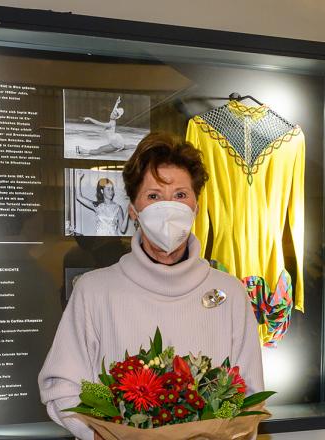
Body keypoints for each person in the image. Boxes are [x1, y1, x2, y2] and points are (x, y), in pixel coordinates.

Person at [39, 133, 264, 439]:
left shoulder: (231, 294)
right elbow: (61, 387)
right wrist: (107, 435)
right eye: (154, 196)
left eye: (181, 195)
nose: (168, 208)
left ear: (197, 206)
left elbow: (248, 394)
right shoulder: (94, 291)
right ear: (134, 209)